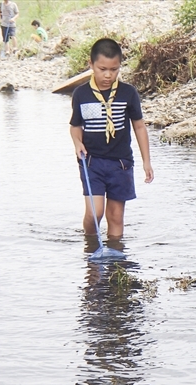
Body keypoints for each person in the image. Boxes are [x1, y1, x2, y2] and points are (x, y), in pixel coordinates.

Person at [70, 38, 154, 240]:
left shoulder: (128, 93)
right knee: (95, 213)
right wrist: (77, 142)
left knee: (116, 216)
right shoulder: (81, 94)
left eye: (114, 69)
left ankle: (117, 260)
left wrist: (146, 161)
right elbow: (75, 126)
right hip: (92, 161)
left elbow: (139, 126)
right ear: (91, 65)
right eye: (102, 69)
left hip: (121, 163)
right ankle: (91, 246)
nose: (108, 75)